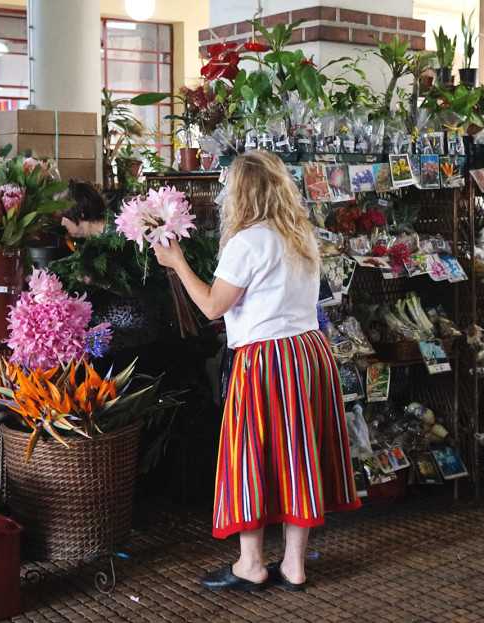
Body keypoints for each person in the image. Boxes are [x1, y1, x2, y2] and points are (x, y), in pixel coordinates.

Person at [153, 150, 361, 592]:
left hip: (265, 361)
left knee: (250, 455)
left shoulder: (246, 242)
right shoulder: (300, 233)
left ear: (242, 193)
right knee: (297, 456)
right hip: (307, 353)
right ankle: (294, 564)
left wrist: (177, 263)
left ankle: (251, 563)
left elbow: (211, 306)